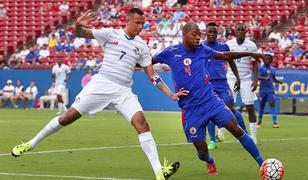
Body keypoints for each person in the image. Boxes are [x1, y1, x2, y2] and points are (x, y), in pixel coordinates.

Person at [12, 8, 185, 180]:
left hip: (123, 91)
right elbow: (82, 33)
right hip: (101, 85)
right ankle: (30, 143)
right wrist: (78, 25)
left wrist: (170, 94)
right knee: (67, 118)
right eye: (137, 23)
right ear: (128, 21)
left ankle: (159, 172)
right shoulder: (110, 34)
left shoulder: (141, 45)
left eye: (143, 23)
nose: (140, 26)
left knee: (141, 123)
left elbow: (151, 74)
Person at [154, 22, 264, 175]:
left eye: (200, 34)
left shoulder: (202, 50)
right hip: (191, 109)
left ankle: (262, 164)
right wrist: (167, 91)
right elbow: (147, 64)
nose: (199, 38)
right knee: (202, 150)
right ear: (184, 34)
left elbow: (225, 56)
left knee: (236, 129)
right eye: (194, 34)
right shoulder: (170, 52)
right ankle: (210, 161)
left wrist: (250, 54)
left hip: (211, 101)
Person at [203, 22, 247, 150]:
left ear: (217, 34)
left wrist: (238, 78)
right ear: (206, 32)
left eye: (214, 32)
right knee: (210, 112)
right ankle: (212, 140)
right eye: (209, 32)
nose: (211, 34)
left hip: (222, 83)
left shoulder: (223, 46)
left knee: (230, 108)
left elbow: (231, 62)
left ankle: (245, 134)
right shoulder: (200, 46)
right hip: (207, 84)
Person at [218, 23, 259, 143]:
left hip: (246, 79)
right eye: (238, 29)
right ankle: (220, 134)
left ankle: (253, 136)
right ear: (234, 31)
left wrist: (255, 79)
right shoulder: (228, 44)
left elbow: (255, 62)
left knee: (250, 107)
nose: (240, 31)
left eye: (242, 29)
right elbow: (222, 59)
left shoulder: (252, 45)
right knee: (225, 106)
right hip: (230, 79)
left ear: (246, 31)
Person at [257, 53, 283, 128]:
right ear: (264, 60)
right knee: (262, 105)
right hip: (262, 90)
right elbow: (258, 77)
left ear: (271, 60)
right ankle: (259, 122)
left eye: (269, 59)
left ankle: (275, 122)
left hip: (270, 90)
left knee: (272, 104)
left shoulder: (273, 69)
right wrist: (265, 78)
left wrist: (278, 81)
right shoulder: (261, 68)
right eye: (266, 59)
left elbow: (273, 78)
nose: (267, 60)